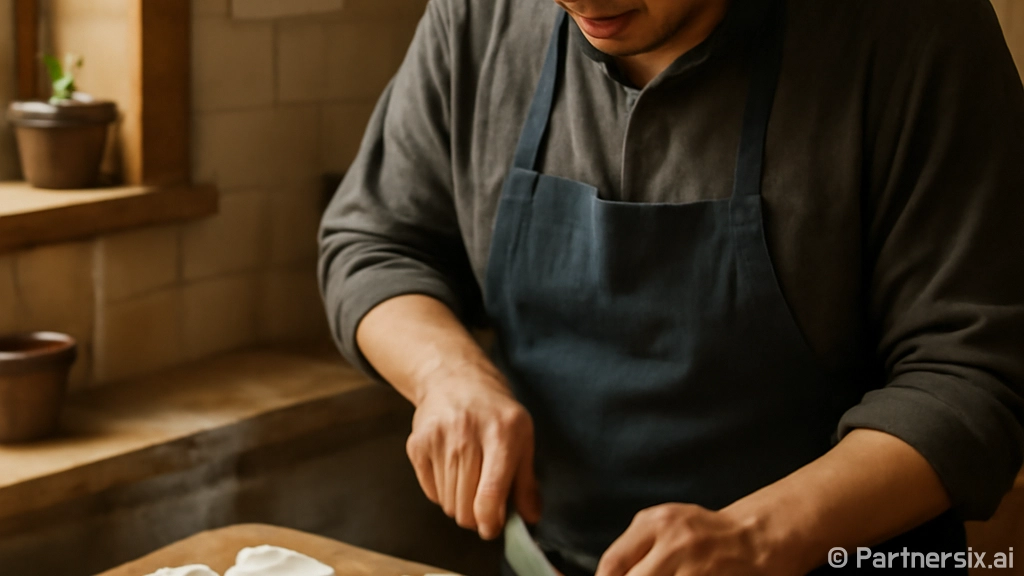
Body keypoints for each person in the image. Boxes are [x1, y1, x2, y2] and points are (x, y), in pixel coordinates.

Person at [318, 0, 1024, 573]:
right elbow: (375, 241)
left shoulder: (913, 28)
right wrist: (446, 373)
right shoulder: (479, 16)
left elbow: (975, 370)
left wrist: (761, 537)